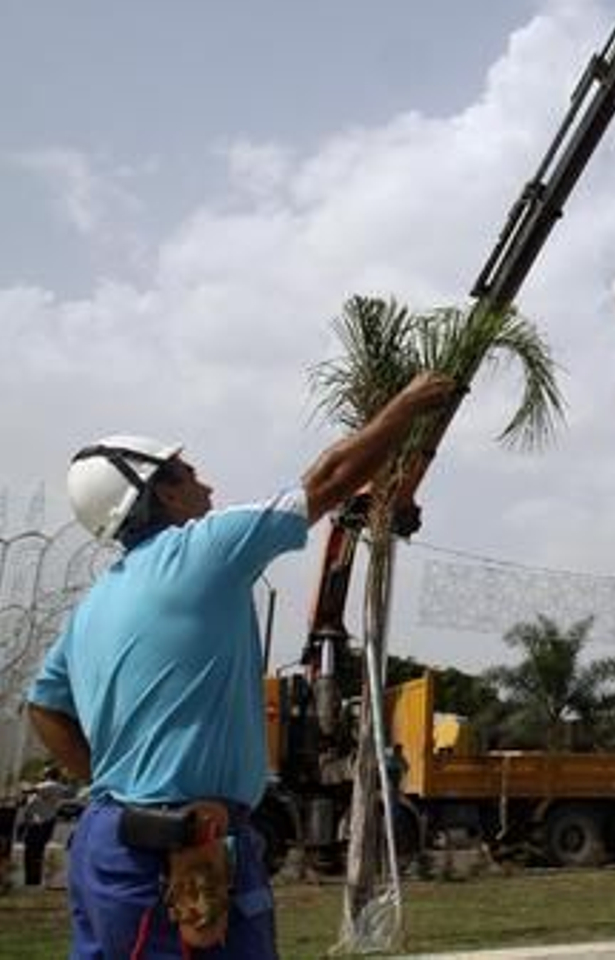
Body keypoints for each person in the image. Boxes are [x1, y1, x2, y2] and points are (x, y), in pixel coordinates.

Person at [26, 370, 457, 958]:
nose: (207, 483)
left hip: (112, 843)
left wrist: (112, 783)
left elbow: (44, 705)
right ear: (162, 492)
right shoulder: (200, 549)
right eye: (190, 472)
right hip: (175, 850)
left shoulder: (97, 601)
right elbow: (329, 478)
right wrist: (406, 405)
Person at [19, 766, 73, 887]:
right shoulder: (52, 786)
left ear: (49, 774)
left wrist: (21, 786)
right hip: (40, 822)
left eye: (45, 772)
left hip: (40, 823)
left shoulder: (50, 785)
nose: (42, 774)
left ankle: (32, 881)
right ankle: (32, 880)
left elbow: (29, 790)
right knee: (34, 852)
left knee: (33, 852)